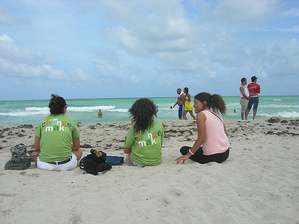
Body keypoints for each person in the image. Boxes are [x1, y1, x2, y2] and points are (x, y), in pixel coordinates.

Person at [30, 94, 82, 171]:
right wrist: (66, 146)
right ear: (64, 108)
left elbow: (37, 147)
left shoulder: (43, 122)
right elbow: (77, 147)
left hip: (45, 165)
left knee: (32, 151)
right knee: (79, 151)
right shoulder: (71, 122)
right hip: (67, 165)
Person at [175, 92, 230, 164]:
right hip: (225, 153)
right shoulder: (217, 114)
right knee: (198, 148)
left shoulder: (201, 115)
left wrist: (188, 155)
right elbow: (224, 134)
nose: (193, 105)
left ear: (204, 103)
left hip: (213, 156)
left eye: (196, 103)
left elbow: (201, 138)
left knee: (184, 149)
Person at [124, 98, 164, 167]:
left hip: (138, 162)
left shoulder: (133, 129)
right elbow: (160, 144)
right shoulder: (159, 125)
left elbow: (126, 151)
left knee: (129, 153)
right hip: (156, 161)